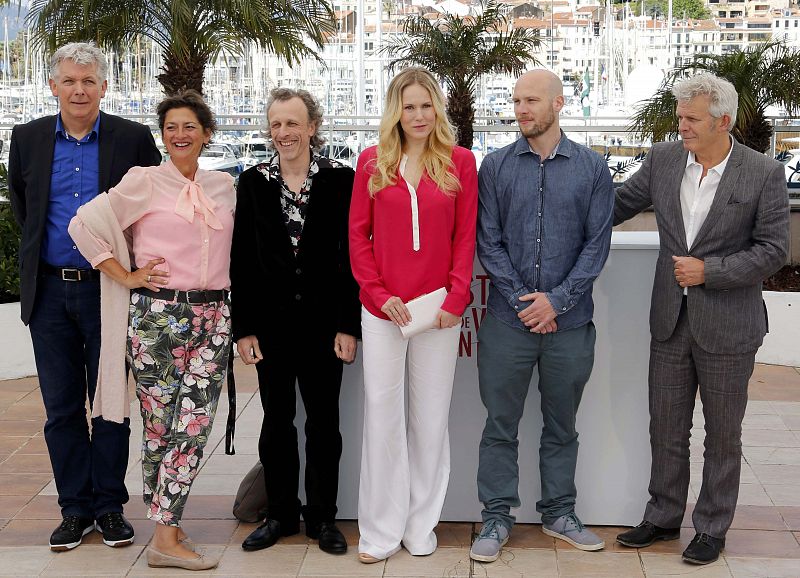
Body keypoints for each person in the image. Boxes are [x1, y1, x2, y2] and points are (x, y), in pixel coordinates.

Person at [613, 73, 790, 565]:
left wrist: (709, 272)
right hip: (669, 321)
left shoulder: (762, 173)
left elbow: (774, 250)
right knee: (665, 427)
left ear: (723, 121)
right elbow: (615, 206)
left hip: (731, 327)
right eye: (680, 117)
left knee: (723, 433)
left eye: (691, 119)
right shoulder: (663, 160)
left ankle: (712, 527)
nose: (681, 126)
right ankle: (664, 516)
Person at [69, 90, 235, 571]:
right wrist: (125, 275)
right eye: (170, 127)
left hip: (214, 317)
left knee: (195, 423)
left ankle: (165, 528)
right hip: (158, 319)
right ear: (162, 135)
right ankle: (166, 533)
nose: (179, 135)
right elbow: (84, 225)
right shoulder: (143, 181)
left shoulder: (224, 186)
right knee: (161, 428)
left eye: (189, 127)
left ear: (206, 134)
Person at [8, 42, 161, 552]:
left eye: (89, 81)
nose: (79, 89)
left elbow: (151, 209)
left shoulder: (132, 139)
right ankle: (74, 509)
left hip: (110, 291)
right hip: (50, 291)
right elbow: (25, 209)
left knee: (111, 405)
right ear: (53, 85)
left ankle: (109, 507)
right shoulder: (27, 138)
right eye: (70, 81)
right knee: (61, 408)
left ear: (104, 86)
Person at [470, 69, 613, 563]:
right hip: (509, 326)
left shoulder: (594, 169)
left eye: (531, 99)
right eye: (516, 100)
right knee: (499, 425)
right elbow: (489, 242)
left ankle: (558, 512)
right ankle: (495, 516)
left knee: (562, 426)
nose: (521, 108)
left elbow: (596, 247)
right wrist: (527, 303)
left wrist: (557, 301)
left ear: (558, 103)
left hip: (570, 327)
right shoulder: (495, 167)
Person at [349, 67, 478, 563]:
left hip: (438, 314)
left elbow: (465, 238)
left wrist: (455, 300)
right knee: (382, 419)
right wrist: (379, 294)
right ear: (395, 112)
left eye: (427, 106)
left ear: (437, 110)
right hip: (383, 312)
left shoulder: (461, 163)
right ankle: (380, 530)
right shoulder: (370, 163)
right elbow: (358, 238)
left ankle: (420, 525)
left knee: (429, 419)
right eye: (409, 107)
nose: (419, 115)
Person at [231, 88, 360, 555]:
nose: (283, 133)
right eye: (276, 124)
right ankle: (281, 514)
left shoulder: (342, 181)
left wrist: (349, 324)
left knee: (325, 423)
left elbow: (352, 259)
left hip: (327, 327)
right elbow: (241, 259)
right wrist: (243, 328)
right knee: (276, 422)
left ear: (311, 127)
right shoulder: (252, 183)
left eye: (293, 124)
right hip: (271, 328)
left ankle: (323, 517)